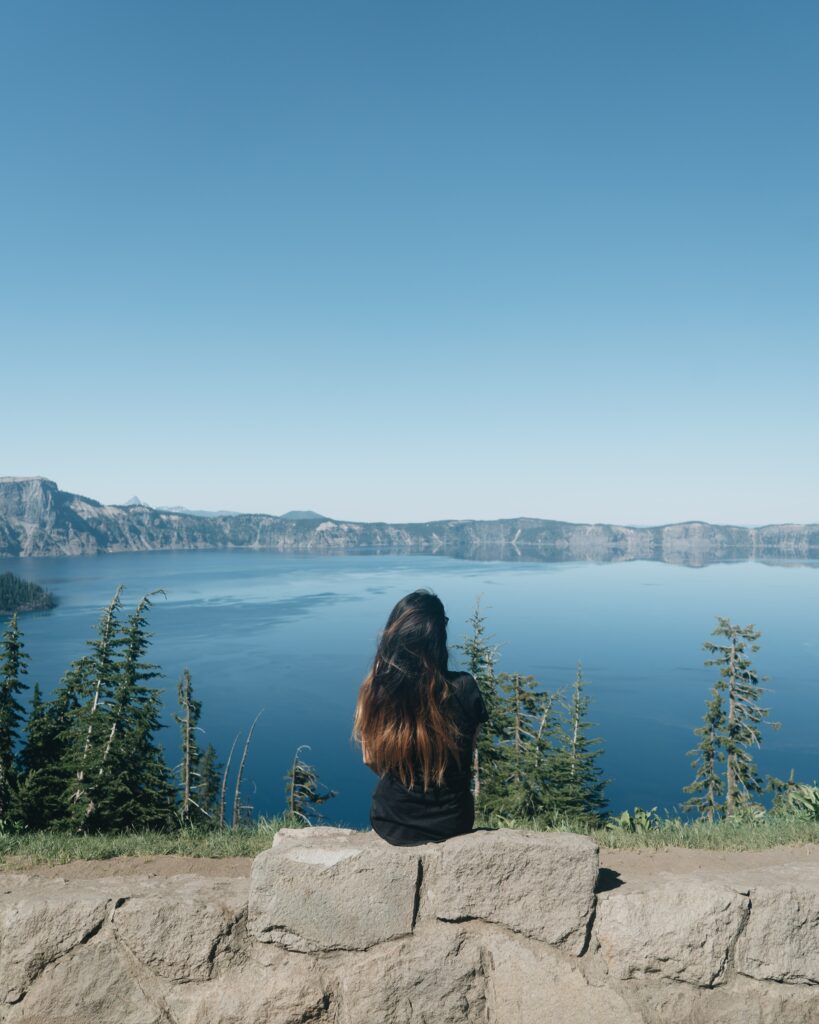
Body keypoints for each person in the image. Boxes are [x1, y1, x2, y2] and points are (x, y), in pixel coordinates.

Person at [352, 589, 488, 846]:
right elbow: (466, 754)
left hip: (392, 821)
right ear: (439, 637)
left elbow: (370, 758)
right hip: (453, 822)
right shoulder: (466, 688)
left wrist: (404, 779)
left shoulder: (376, 689)